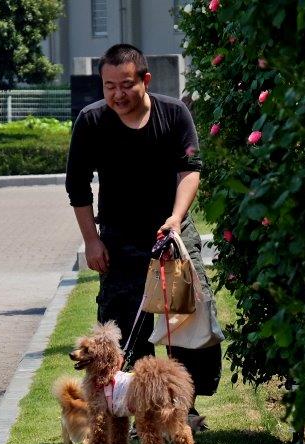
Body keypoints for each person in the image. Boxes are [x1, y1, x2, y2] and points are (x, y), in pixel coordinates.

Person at [65, 44, 222, 415]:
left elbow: (190, 171)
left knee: (186, 320)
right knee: (126, 327)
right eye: (109, 86)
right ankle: (142, 409)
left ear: (145, 80)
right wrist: (91, 240)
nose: (117, 94)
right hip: (119, 240)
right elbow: (77, 186)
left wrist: (175, 218)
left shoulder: (173, 113)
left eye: (126, 85)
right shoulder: (91, 121)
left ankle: (184, 408)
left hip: (172, 235)